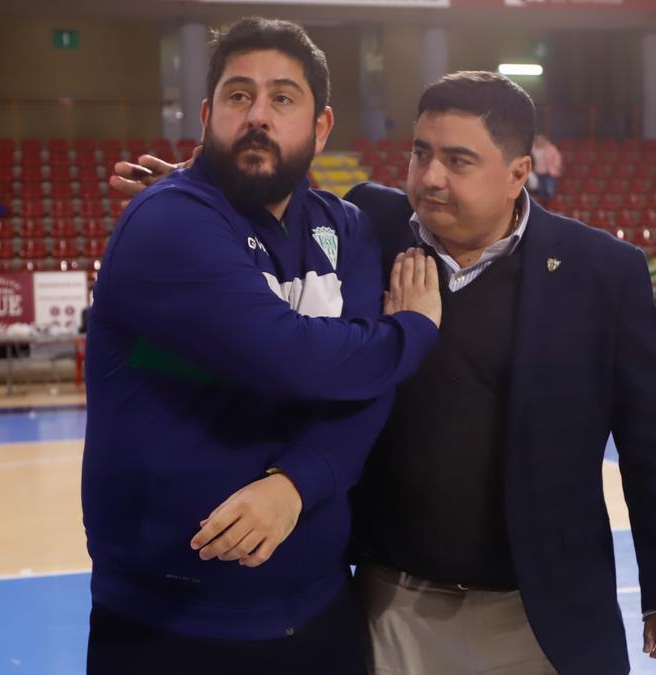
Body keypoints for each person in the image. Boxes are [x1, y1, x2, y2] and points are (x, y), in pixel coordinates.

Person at [114, 71, 656, 675]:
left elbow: (654, 438)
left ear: (517, 173)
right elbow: (273, 224)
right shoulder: (368, 222)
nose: (430, 178)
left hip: (542, 608)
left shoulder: (601, 270)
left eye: (458, 160)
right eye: (421, 153)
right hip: (391, 600)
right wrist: (209, 204)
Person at [82, 18, 440, 675]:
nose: (257, 115)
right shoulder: (166, 221)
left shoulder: (348, 229)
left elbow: (365, 391)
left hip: (321, 606)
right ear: (207, 114)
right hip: (168, 622)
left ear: (321, 126)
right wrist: (412, 329)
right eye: (238, 95)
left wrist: (298, 485)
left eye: (282, 98)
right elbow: (289, 355)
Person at [531, 133, 563, 205]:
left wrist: (555, 166)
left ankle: (550, 206)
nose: (540, 141)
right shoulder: (533, 148)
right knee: (539, 192)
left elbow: (557, 158)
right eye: (538, 140)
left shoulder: (551, 148)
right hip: (536, 173)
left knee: (549, 191)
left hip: (548, 173)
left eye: (541, 140)